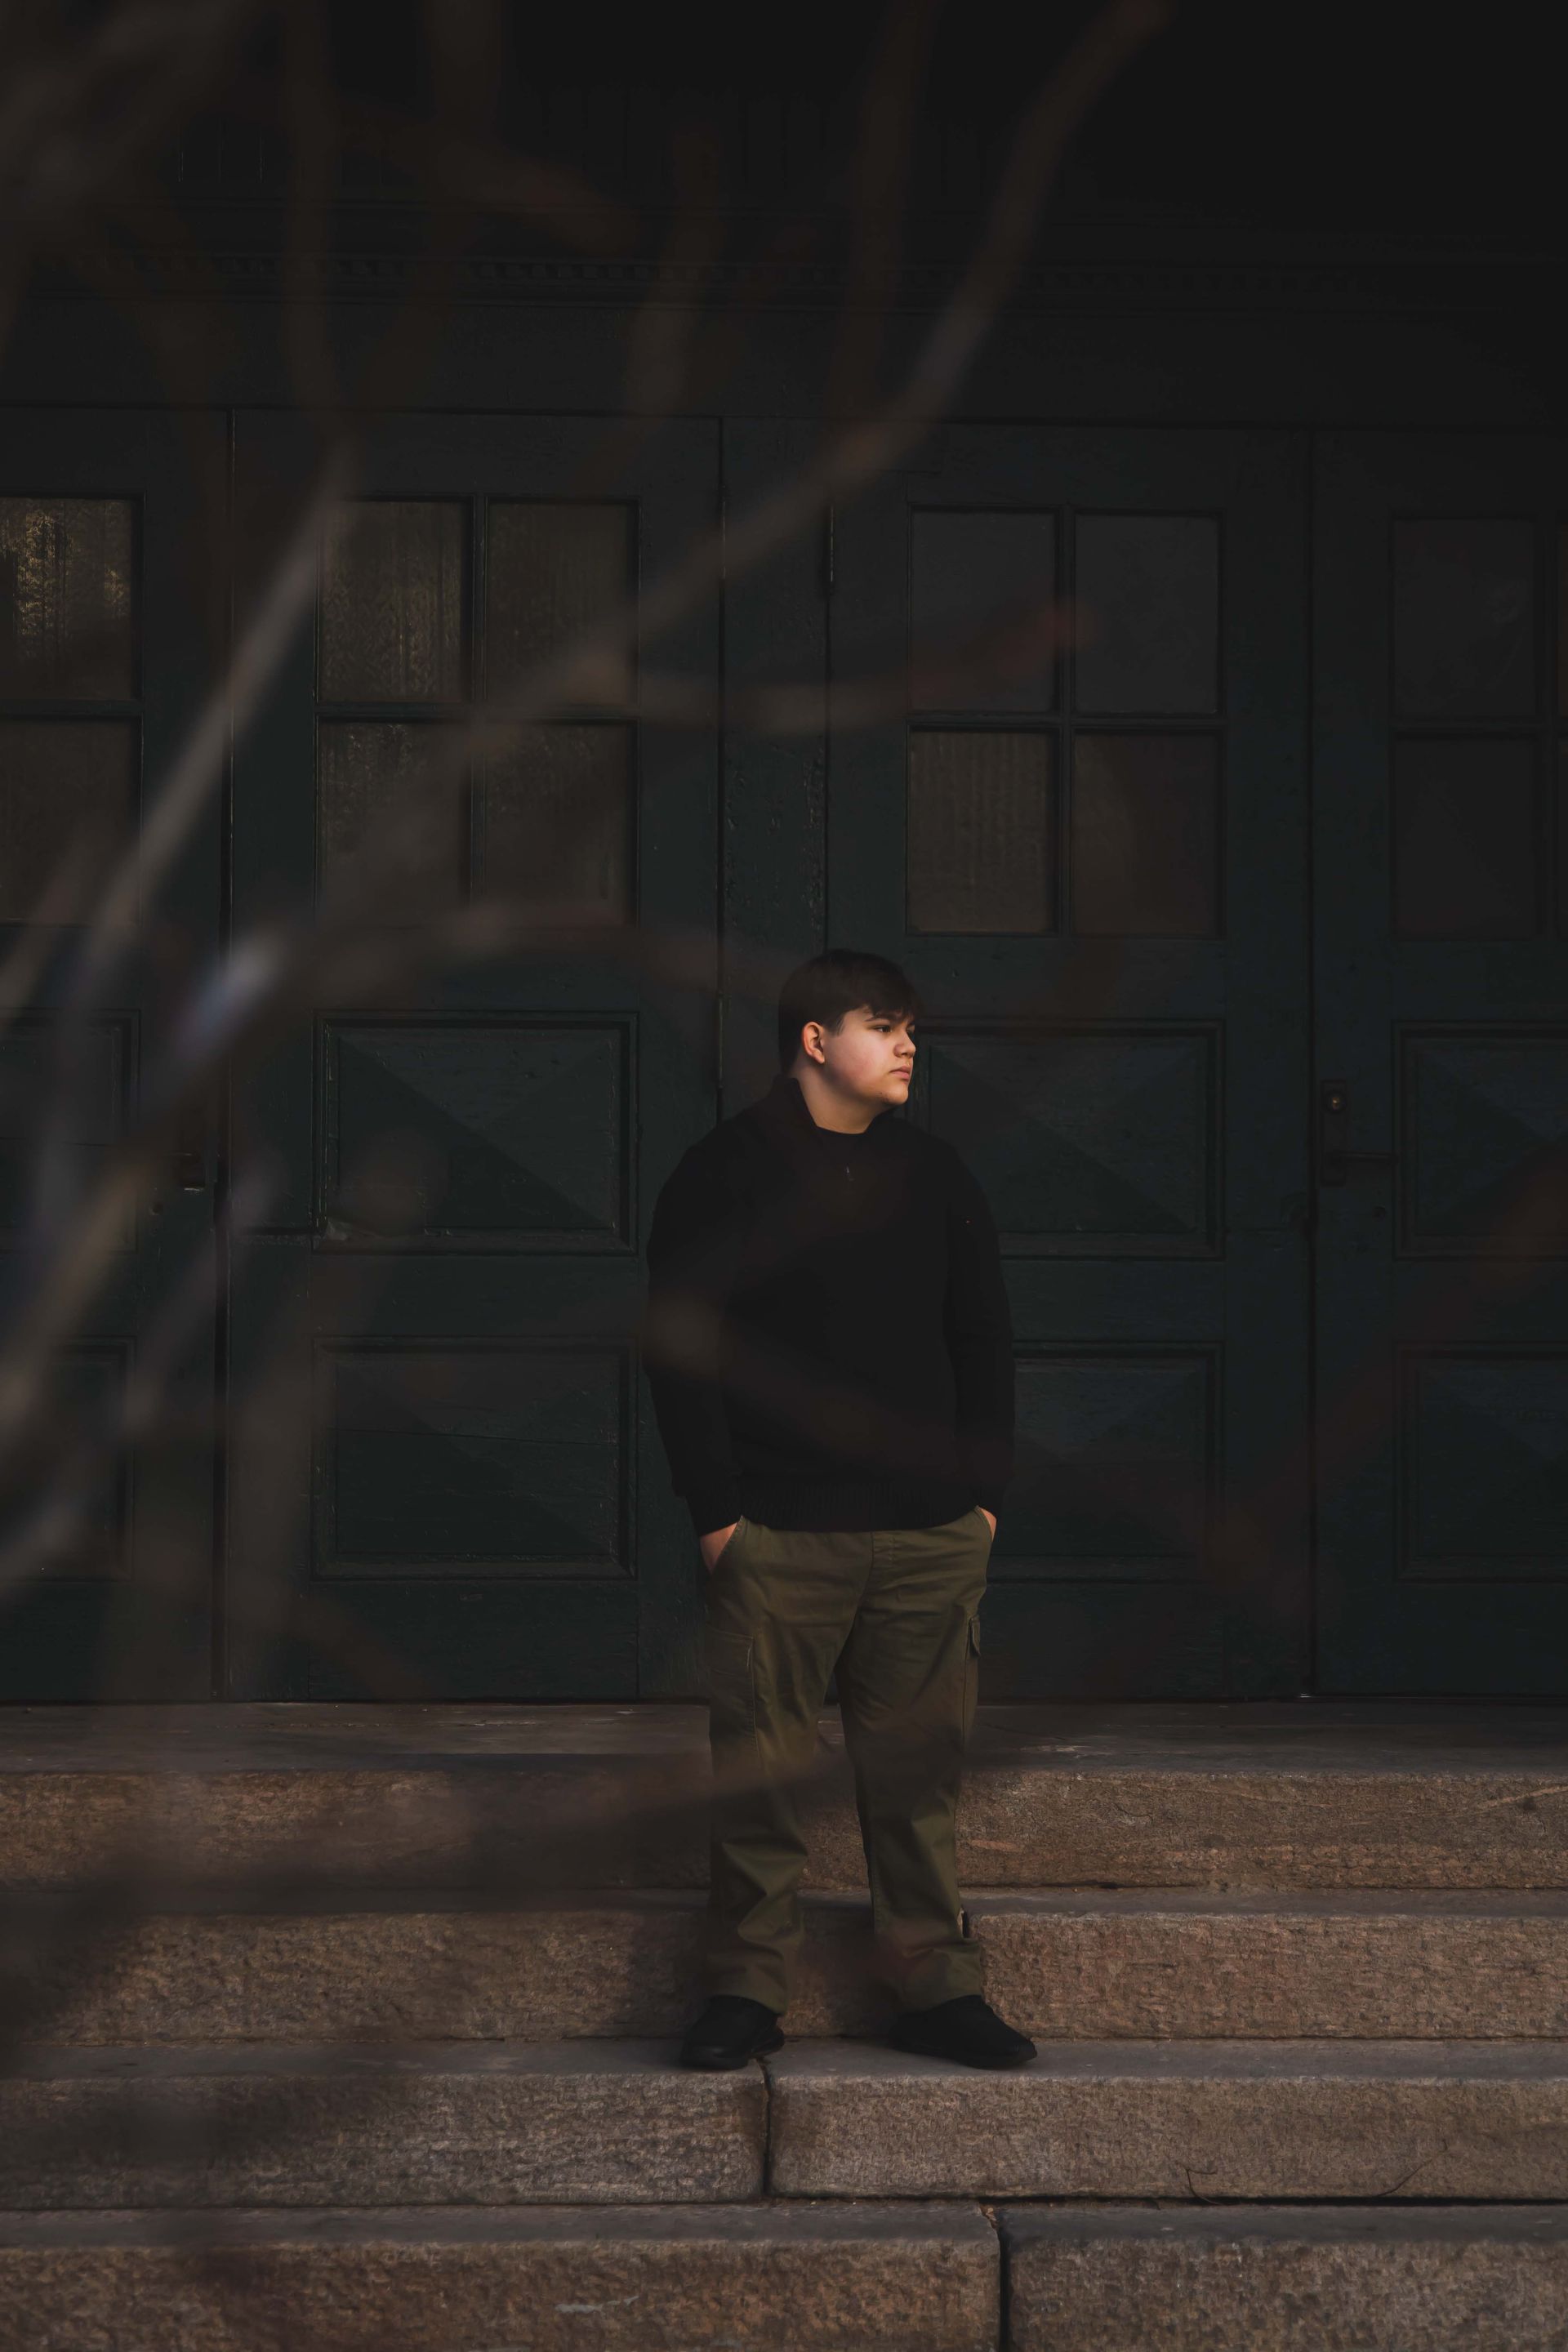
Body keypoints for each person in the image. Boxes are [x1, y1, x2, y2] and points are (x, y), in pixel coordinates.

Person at [644, 947, 1036, 2072]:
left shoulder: (940, 1174)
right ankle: (745, 1991)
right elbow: (684, 1349)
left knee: (917, 1779)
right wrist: (718, 1515)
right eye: (883, 1024)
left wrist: (984, 1501)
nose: (910, 1044)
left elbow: (984, 1341)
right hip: (777, 1530)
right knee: (759, 1778)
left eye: (914, 1026)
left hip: (931, 1534)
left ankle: (933, 1991)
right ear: (814, 1040)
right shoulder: (722, 1172)